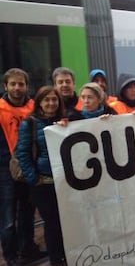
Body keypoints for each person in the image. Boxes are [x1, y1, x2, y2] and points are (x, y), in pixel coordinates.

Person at [15, 86, 66, 266]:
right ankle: (55, 260)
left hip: (64, 182)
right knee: (52, 222)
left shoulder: (65, 120)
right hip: (42, 183)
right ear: (39, 102)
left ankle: (65, 256)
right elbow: (22, 153)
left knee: (65, 222)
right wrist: (33, 178)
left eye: (54, 100)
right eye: (47, 100)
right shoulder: (29, 123)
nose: (51, 103)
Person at [0, 68, 46, 266]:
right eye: (13, 84)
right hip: (4, 167)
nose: (17, 88)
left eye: (21, 84)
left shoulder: (34, 107)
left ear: (27, 86)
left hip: (28, 165)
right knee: (8, 216)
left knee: (27, 211)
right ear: (6, 86)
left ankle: (28, 249)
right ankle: (11, 257)